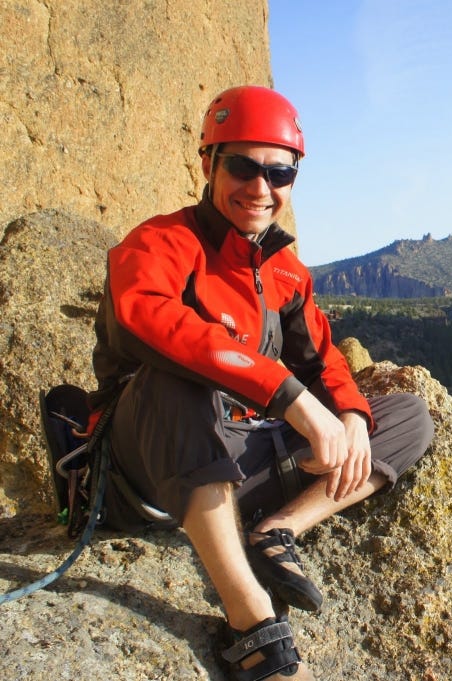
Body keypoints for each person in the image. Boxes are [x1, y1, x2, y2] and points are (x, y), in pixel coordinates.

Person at [87, 85, 434, 681]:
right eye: (243, 166)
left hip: (239, 461)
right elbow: (153, 320)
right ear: (207, 163)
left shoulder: (283, 272)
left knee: (408, 417)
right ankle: (250, 622)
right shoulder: (158, 244)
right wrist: (289, 397)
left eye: (279, 172)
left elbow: (324, 358)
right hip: (150, 462)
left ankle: (278, 529)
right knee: (178, 378)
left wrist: (348, 416)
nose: (260, 188)